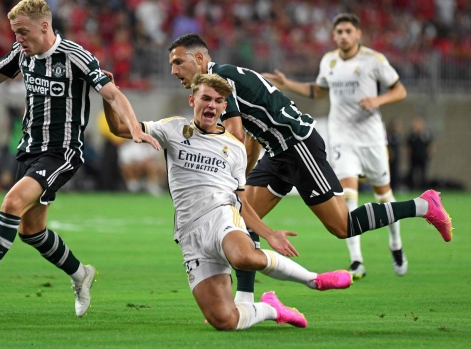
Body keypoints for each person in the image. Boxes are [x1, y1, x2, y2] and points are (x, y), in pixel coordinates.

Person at [167, 33, 453, 304]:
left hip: (297, 147)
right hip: (277, 151)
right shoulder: (227, 77)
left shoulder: (221, 80)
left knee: (343, 226)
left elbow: (236, 134)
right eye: (171, 64)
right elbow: (252, 134)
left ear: (201, 58)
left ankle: (424, 205)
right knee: (242, 220)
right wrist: (242, 176)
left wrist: (224, 173)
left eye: (178, 62)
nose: (173, 70)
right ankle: (244, 303)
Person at [0, 0, 159, 317]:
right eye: (15, 33)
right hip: (29, 149)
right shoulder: (23, 54)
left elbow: (112, 93)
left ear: (44, 26)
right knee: (30, 231)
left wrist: (134, 128)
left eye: (23, 32)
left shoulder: (75, 56)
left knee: (10, 203)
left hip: (61, 152)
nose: (18, 38)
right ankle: (81, 274)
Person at [104, 72, 352, 331]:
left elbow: (241, 200)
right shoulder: (173, 129)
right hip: (189, 233)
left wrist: (269, 234)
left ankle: (314, 280)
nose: (211, 105)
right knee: (224, 320)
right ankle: (271, 308)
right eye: (206, 98)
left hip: (222, 215)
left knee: (243, 256)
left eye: (218, 101)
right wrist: (108, 96)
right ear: (192, 100)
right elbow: (119, 128)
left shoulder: (234, 149)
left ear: (224, 107)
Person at [262, 13, 409, 279]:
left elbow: (400, 90)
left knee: (383, 194)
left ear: (357, 34)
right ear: (334, 35)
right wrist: (287, 84)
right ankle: (356, 260)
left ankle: (396, 244)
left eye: (347, 31)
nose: (342, 35)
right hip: (342, 137)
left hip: (372, 137)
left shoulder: (374, 60)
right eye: (338, 31)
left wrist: (378, 101)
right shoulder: (328, 61)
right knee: (348, 197)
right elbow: (319, 90)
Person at [406, 117, 434, 190]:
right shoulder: (412, 135)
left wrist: (429, 154)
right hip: (414, 157)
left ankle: (423, 188)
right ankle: (411, 187)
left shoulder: (426, 135)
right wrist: (407, 155)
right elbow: (407, 147)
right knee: (412, 172)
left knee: (423, 173)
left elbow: (431, 145)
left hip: (423, 157)